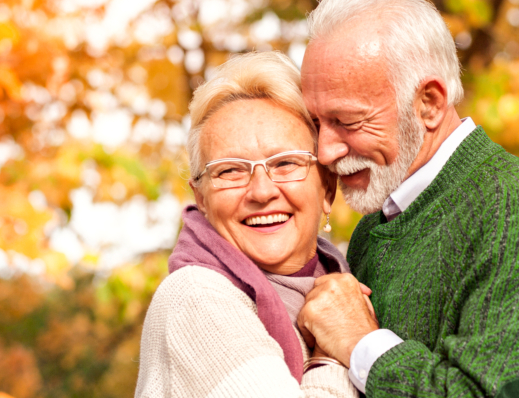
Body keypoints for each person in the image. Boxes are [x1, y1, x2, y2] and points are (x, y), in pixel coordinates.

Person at [295, 0, 519, 398]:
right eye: (317, 124)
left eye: (348, 122)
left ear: (429, 103)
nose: (325, 151)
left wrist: (361, 344)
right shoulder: (373, 231)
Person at [135, 52, 357, 398]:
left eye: (285, 163)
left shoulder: (348, 282)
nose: (262, 191)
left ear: (327, 188)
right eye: (230, 170)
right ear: (203, 199)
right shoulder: (195, 297)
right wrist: (334, 355)